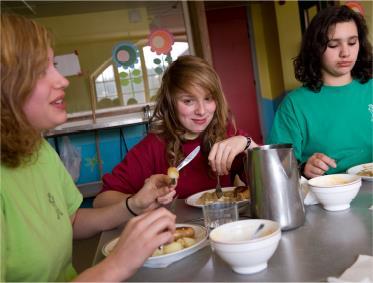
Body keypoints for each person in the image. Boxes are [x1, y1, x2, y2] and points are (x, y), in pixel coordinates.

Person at [0, 14, 177, 282]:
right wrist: (116, 265)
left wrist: (133, 205)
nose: (63, 80)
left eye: (54, 64)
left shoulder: (37, 150)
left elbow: (70, 222)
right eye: (40, 70)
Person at [94, 55, 258, 208]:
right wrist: (141, 201)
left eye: (208, 98)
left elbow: (275, 181)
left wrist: (248, 144)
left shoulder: (228, 134)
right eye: (188, 101)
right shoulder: (153, 146)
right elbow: (101, 200)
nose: (201, 111)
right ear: (170, 103)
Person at [268, 5, 372, 179]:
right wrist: (302, 169)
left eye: (352, 42)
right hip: (326, 198)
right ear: (316, 48)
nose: (345, 52)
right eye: (333, 45)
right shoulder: (294, 105)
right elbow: (276, 168)